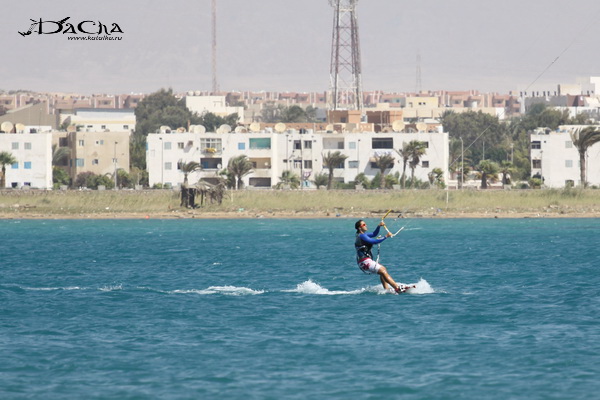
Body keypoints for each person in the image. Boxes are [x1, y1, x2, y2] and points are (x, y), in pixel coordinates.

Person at [354, 219, 408, 293]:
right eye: (363, 224)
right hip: (364, 261)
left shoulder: (362, 235)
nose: (366, 225)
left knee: (383, 270)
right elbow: (374, 241)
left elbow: (374, 234)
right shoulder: (362, 236)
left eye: (365, 224)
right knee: (382, 270)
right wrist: (386, 236)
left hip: (364, 261)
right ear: (359, 228)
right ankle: (397, 288)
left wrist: (379, 226)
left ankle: (386, 289)